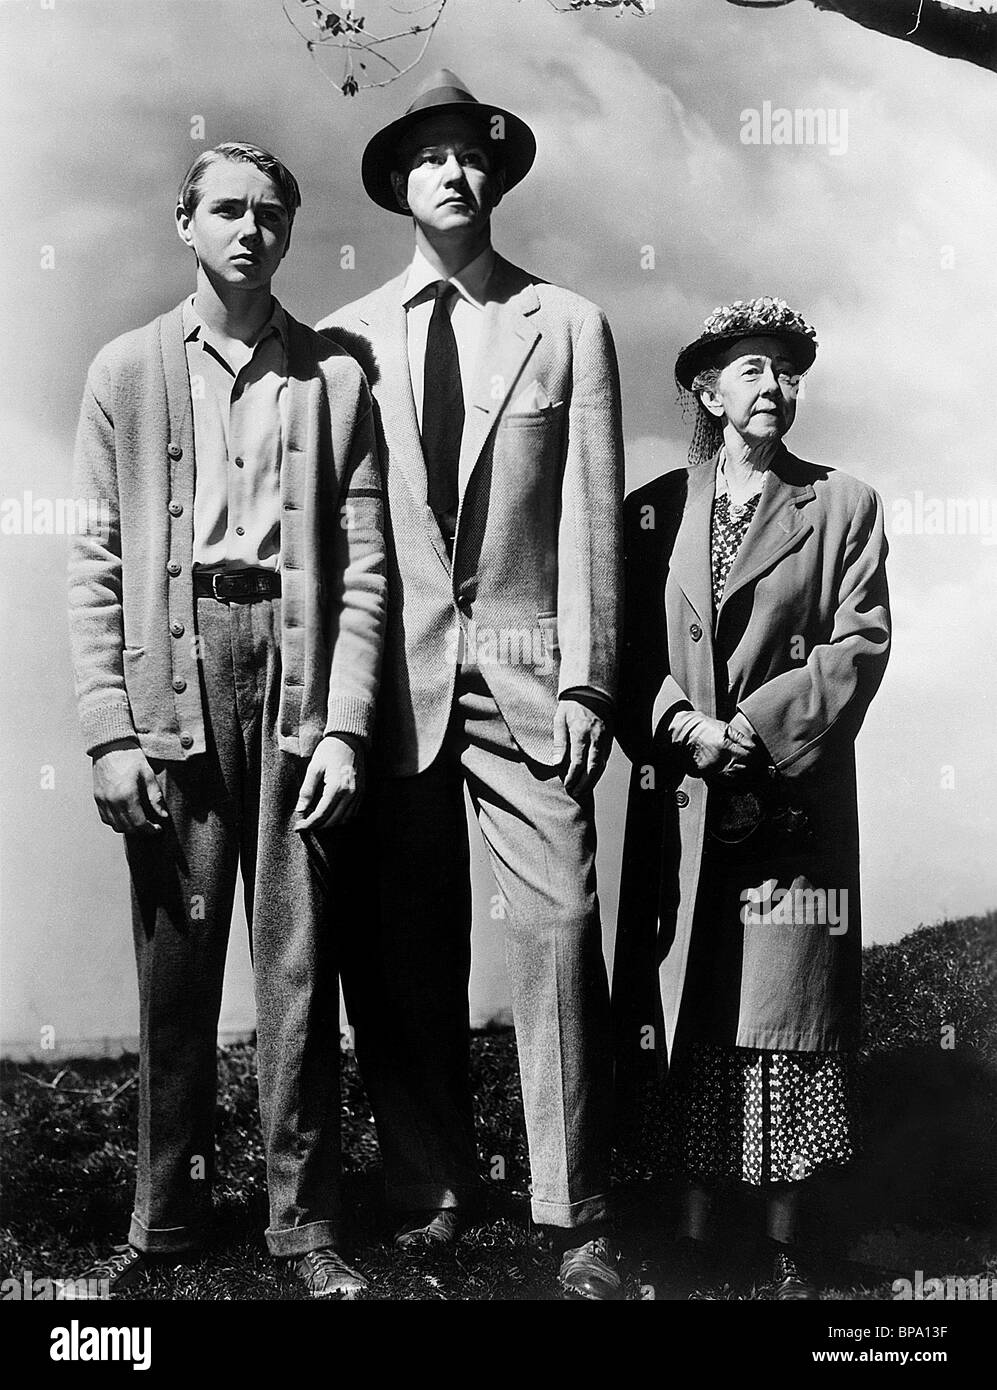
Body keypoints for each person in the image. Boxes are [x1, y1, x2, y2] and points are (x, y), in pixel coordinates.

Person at [318, 70, 625, 1299]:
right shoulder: (344, 339)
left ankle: (576, 1210)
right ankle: (429, 1186)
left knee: (557, 925)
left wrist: (593, 685)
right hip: (392, 673)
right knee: (401, 941)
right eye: (428, 156)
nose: (453, 172)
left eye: (471, 155)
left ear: (496, 176)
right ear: (398, 183)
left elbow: (592, 517)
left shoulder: (566, 322)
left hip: (529, 674)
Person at [67, 143, 386, 1298]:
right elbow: (97, 560)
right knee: (176, 961)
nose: (249, 230)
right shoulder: (126, 370)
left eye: (270, 214)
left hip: (295, 680)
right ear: (185, 222)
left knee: (299, 965)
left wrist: (344, 724)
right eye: (227, 211)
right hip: (174, 669)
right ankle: (164, 1224)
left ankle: (305, 1227)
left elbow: (362, 569)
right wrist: (109, 730)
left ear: (290, 233)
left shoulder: (336, 377)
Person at [613, 297, 891, 1299]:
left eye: (785, 371)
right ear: (706, 388)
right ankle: (685, 1229)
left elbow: (857, 643)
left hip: (790, 800)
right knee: (690, 998)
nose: (774, 387)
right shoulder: (654, 508)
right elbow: (625, 651)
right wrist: (688, 729)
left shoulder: (844, 503)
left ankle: (779, 1238)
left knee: (783, 1013)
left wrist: (757, 731)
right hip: (685, 796)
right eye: (752, 370)